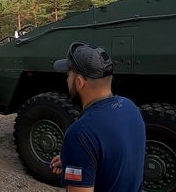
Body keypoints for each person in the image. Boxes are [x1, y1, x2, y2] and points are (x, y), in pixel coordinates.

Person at [50, 42, 146, 192]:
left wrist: (78, 152)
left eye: (68, 75)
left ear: (80, 82)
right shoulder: (130, 107)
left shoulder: (79, 134)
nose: (66, 80)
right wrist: (74, 159)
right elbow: (117, 155)